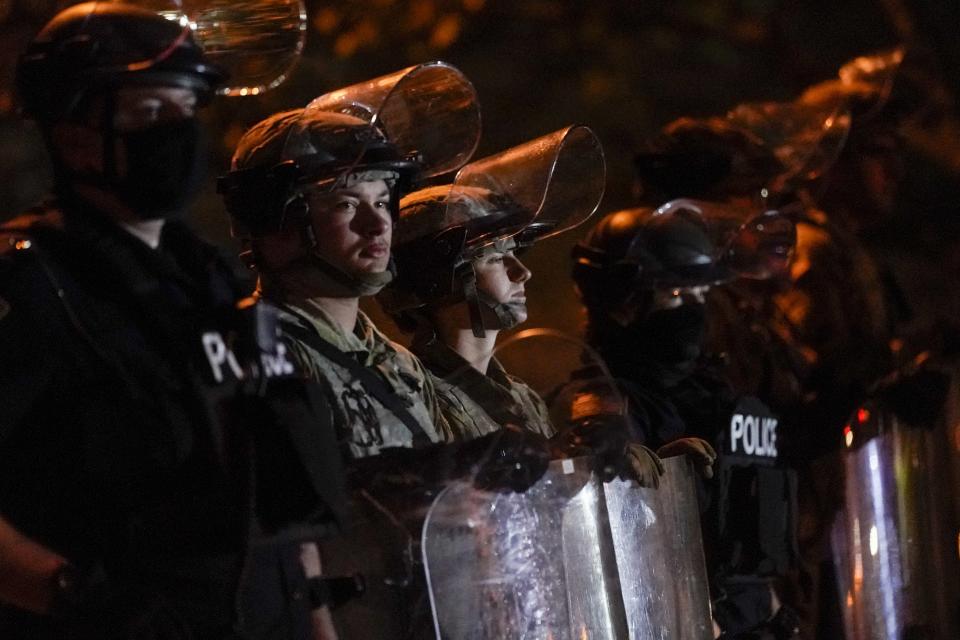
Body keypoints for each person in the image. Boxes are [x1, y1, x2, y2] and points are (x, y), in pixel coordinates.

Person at [1, 3, 348, 638]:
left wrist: (318, 619)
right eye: (153, 113)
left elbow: (279, 483)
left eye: (187, 111)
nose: (179, 132)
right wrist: (72, 596)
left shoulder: (220, 282)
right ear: (74, 132)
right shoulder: (31, 284)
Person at [217, 67, 550, 639]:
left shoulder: (399, 364)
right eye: (347, 204)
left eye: (381, 200)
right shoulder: (251, 359)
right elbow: (280, 546)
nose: (378, 224)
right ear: (278, 224)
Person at [381, 125, 667, 486]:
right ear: (438, 278)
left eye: (514, 254)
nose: (524, 272)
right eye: (496, 258)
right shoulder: (411, 392)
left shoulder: (522, 397)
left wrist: (628, 467)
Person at [571, 202, 800, 639]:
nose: (694, 310)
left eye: (700, 294)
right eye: (675, 295)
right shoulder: (609, 409)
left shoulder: (716, 392)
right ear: (624, 305)